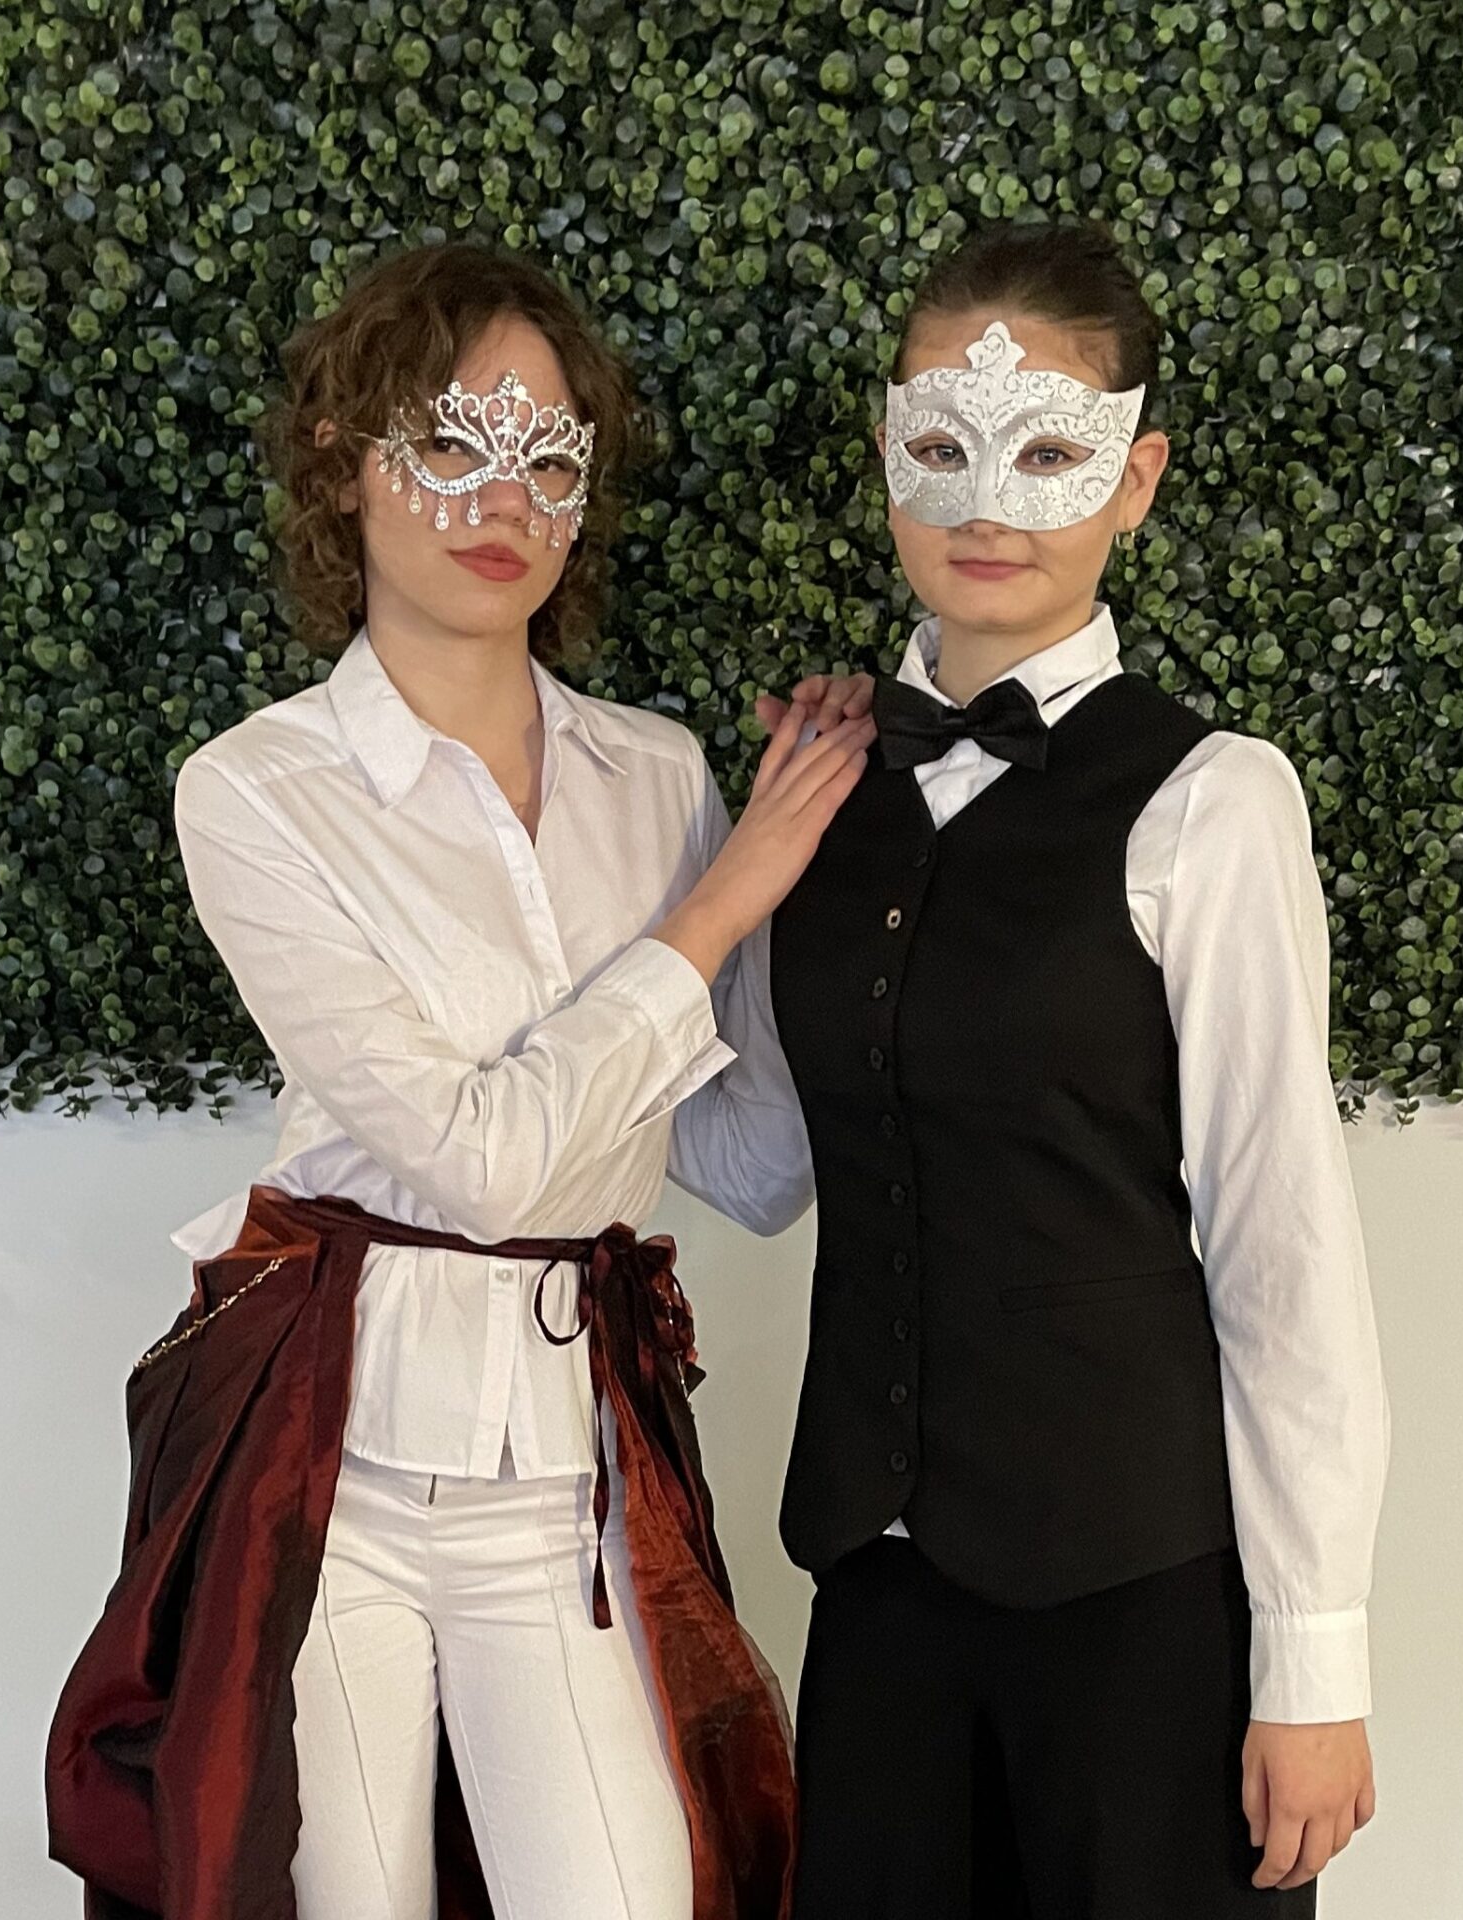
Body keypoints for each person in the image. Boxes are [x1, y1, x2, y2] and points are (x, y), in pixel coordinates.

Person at [46, 239, 872, 1920]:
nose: (504, 498)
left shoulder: (660, 776)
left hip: (571, 1478)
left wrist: (809, 866)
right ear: (342, 463)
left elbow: (757, 1166)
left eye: (550, 457)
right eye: (446, 442)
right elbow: (481, 1166)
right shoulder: (258, 791)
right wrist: (722, 905)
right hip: (326, 1467)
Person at [767, 219, 1390, 1915]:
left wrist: (1313, 1659)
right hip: (877, 1593)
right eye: (942, 448)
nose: (987, 505)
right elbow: (755, 1165)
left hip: (1137, 1599)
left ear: (1138, 480)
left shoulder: (1217, 800)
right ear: (888, 454)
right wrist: (693, 903)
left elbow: (1280, 1240)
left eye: (1048, 453)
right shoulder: (816, 792)